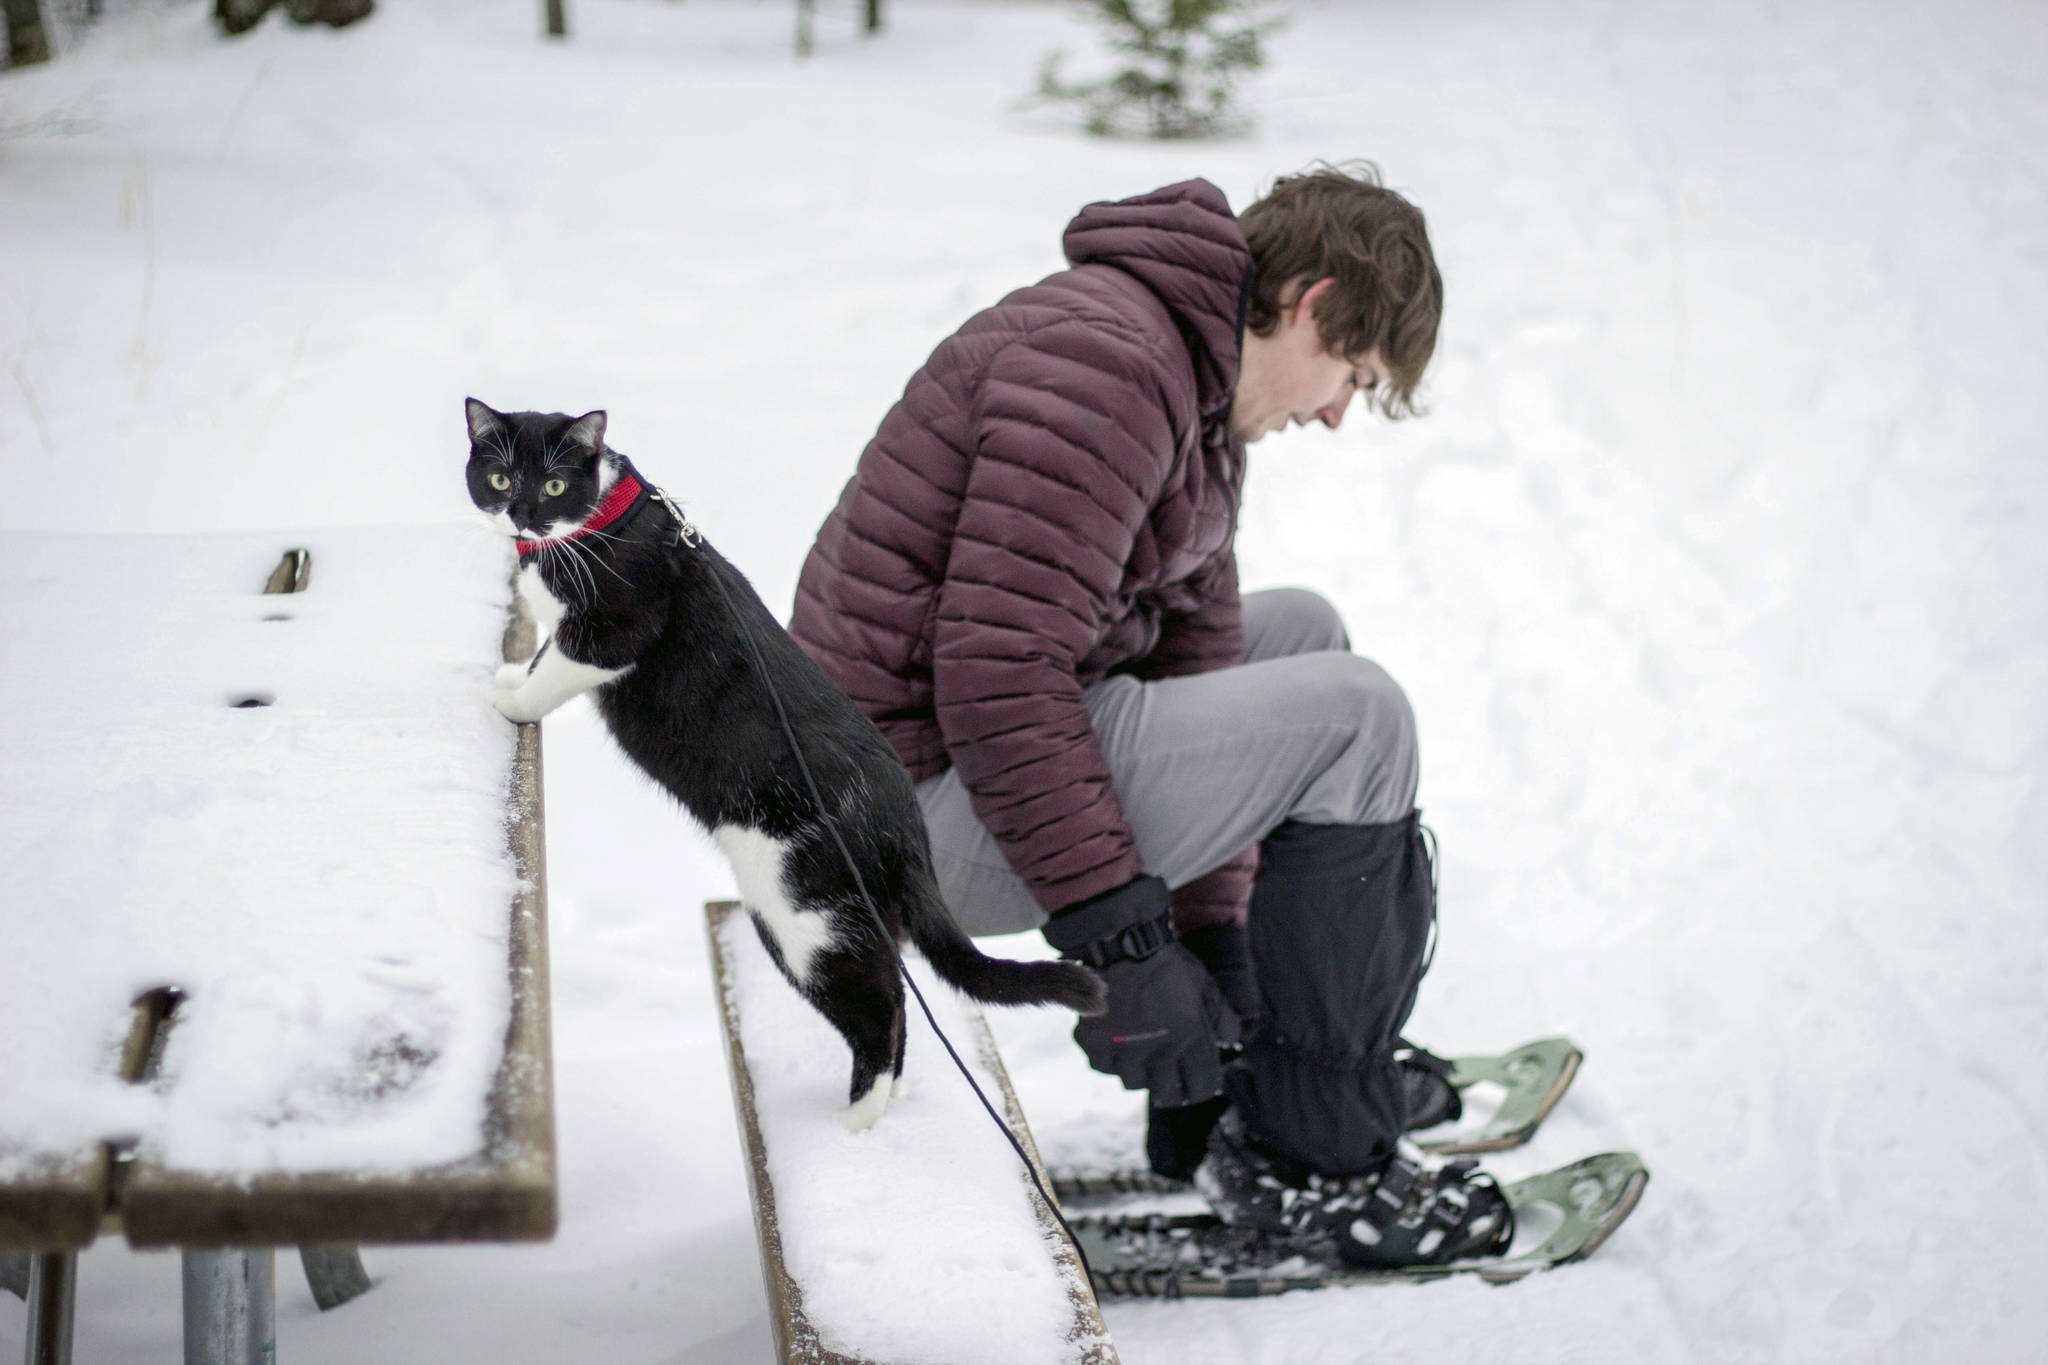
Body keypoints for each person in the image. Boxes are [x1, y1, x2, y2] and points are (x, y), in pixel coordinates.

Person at [789, 164, 1512, 1268]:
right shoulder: (1111, 371)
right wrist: (1124, 944)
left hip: (929, 767)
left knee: (1306, 634)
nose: (1331, 415)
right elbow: (999, 668)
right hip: (882, 829)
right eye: (1348, 376)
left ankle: (1268, 1071)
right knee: (1360, 720)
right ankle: (1319, 1161)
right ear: (1310, 301)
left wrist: (1212, 948)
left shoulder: (1184, 378)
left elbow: (1195, 657)